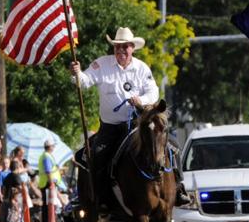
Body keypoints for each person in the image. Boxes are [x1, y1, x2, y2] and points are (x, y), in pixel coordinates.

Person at [69, 26, 191, 207]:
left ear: (132, 48)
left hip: (138, 125)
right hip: (110, 128)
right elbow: (84, 82)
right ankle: (98, 198)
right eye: (117, 46)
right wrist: (76, 73)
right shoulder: (102, 64)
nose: (121, 50)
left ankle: (178, 188)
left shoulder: (142, 68)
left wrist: (140, 101)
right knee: (95, 156)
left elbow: (154, 92)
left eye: (125, 46)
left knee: (172, 143)